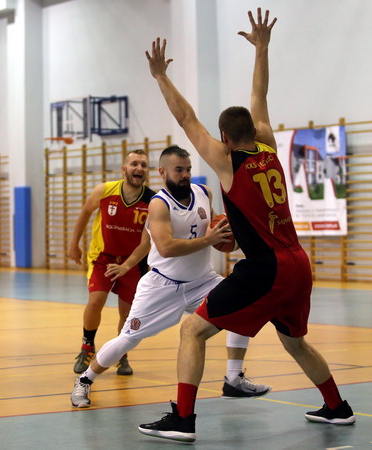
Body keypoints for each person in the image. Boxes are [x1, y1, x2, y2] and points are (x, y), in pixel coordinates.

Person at [139, 8, 355, 443]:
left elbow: (186, 119)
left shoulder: (227, 161)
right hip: (298, 262)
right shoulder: (268, 146)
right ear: (251, 131)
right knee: (294, 341)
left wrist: (161, 77)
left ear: (224, 137)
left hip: (266, 268)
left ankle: (183, 419)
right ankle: (337, 407)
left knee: (192, 330)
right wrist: (262, 49)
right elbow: (260, 97)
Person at [70, 145, 271, 408]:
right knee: (129, 338)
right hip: (163, 285)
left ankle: (234, 378)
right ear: (163, 172)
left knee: (242, 306)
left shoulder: (204, 193)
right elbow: (166, 247)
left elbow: (214, 229)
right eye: (178, 170)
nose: (185, 175)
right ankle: (85, 380)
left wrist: (229, 237)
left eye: (188, 169)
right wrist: (208, 240)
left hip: (203, 281)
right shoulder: (158, 204)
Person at [69, 149, 156, 375]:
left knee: (127, 314)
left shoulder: (153, 201)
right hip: (103, 258)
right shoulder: (104, 190)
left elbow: (147, 242)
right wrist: (74, 243)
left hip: (133, 262)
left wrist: (127, 266)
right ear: (124, 169)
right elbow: (85, 212)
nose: (139, 168)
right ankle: (87, 346)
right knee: (95, 301)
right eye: (134, 163)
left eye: (143, 165)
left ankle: (120, 354)